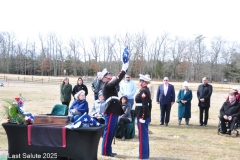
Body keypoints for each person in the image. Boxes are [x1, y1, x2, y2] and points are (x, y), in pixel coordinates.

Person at [101, 50, 129, 157]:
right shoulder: (107, 85)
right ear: (105, 78)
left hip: (114, 110)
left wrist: (124, 69)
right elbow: (117, 80)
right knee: (108, 132)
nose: (110, 75)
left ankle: (108, 150)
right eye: (108, 74)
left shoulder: (110, 85)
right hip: (111, 110)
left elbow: (117, 81)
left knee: (112, 132)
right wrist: (123, 69)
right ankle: (105, 151)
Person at [134, 74, 151, 159]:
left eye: (140, 81)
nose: (139, 82)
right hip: (140, 114)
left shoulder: (144, 91)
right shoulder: (143, 90)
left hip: (141, 116)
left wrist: (143, 117)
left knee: (142, 136)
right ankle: (145, 154)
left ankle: (143, 155)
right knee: (143, 135)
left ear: (144, 82)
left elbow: (145, 105)